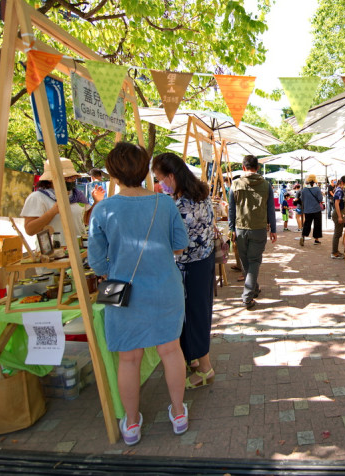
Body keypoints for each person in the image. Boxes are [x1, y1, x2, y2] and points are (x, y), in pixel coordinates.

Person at [88, 142, 190, 445]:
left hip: (118, 288)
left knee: (128, 359)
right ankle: (178, 413)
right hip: (165, 286)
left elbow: (96, 263)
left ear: (113, 173)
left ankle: (131, 424)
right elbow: (180, 245)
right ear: (146, 168)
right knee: (171, 351)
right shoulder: (165, 203)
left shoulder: (102, 209)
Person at [152, 152, 216, 390]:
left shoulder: (180, 204)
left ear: (171, 176)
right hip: (204, 262)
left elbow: (178, 245)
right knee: (198, 314)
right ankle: (197, 362)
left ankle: (205, 368)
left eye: (160, 179)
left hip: (190, 266)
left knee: (194, 317)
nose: (160, 184)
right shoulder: (201, 194)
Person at [228, 155, 277, 309]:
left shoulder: (235, 184)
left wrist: (231, 228)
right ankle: (251, 291)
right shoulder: (266, 184)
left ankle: (248, 295)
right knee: (254, 261)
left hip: (240, 229)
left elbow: (231, 209)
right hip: (259, 229)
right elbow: (271, 209)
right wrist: (273, 229)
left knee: (247, 261)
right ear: (257, 167)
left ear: (243, 167)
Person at [21, 157, 88, 238]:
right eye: (67, 177)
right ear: (50, 179)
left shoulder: (78, 196)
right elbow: (30, 230)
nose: (71, 180)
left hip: (78, 248)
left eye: (73, 177)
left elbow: (86, 221)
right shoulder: (37, 197)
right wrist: (52, 212)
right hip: (55, 249)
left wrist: (97, 201)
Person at [299, 174, 324, 246]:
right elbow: (320, 199)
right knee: (317, 225)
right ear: (315, 181)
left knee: (307, 224)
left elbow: (301, 199)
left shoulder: (304, 190)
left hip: (307, 210)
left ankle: (303, 236)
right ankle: (316, 239)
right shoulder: (317, 189)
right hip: (316, 209)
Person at [331, 176, 345, 259]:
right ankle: (334, 252)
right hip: (337, 214)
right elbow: (336, 204)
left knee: (338, 233)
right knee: (337, 234)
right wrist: (339, 216)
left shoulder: (339, 189)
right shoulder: (339, 190)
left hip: (339, 213)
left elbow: (340, 203)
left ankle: (335, 251)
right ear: (343, 182)